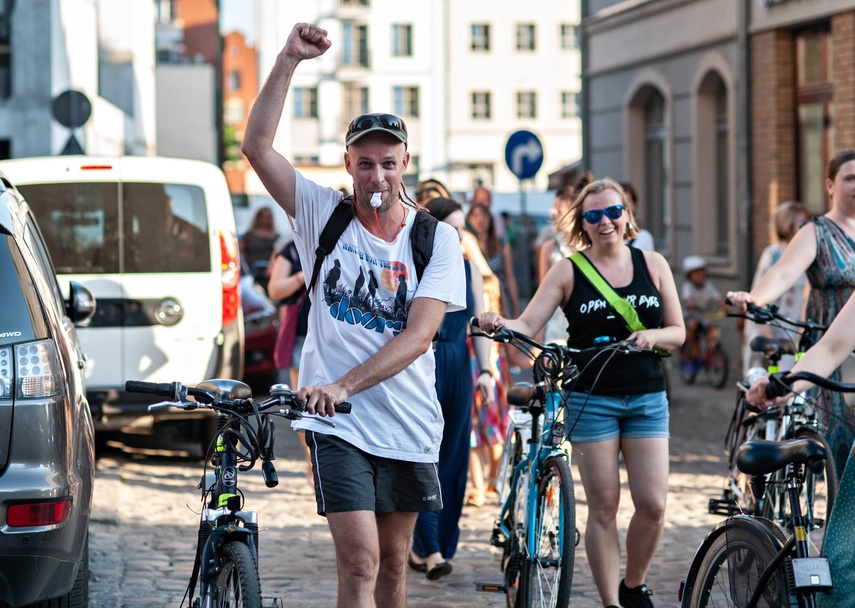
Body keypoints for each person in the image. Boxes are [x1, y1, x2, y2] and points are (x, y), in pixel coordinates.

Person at [240, 23, 467, 608]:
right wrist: (289, 59)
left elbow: (421, 336)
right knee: (361, 561)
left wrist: (346, 382)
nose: (377, 177)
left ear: (406, 163)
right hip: (337, 423)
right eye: (365, 164)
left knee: (394, 565)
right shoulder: (323, 215)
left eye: (388, 164)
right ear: (348, 164)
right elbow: (257, 149)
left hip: (410, 422)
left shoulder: (434, 239)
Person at [478, 178, 685, 608]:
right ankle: (611, 602)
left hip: (647, 396)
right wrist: (500, 322)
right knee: (604, 506)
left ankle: (634, 583)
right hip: (591, 399)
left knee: (653, 503)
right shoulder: (569, 269)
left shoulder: (654, 264)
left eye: (613, 212)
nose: (605, 221)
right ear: (582, 223)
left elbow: (678, 332)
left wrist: (652, 335)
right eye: (593, 215)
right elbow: (529, 323)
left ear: (627, 214)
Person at [729, 149, 855, 474]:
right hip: (831, 345)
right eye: (850, 178)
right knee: (839, 452)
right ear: (830, 185)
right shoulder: (818, 231)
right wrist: (755, 298)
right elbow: (783, 273)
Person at [409, 197, 494, 580]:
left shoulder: (467, 268)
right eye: (453, 229)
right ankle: (431, 551)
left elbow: (476, 324)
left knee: (456, 458)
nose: (460, 237)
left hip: (459, 367)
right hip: (422, 363)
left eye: (463, 230)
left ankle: (436, 542)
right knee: (424, 456)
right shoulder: (414, 265)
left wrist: (486, 372)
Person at [741, 201, 809, 376]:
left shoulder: (807, 251)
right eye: (801, 222)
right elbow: (761, 292)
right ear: (787, 224)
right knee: (779, 376)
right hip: (778, 325)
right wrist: (766, 331)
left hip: (797, 326)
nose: (805, 227)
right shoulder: (773, 254)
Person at [467, 202, 520, 317]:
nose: (480, 220)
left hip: (500, 300)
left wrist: (516, 310)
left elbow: (509, 276)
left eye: (484, 216)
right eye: (476, 216)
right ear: (469, 219)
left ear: (490, 219)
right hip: (478, 301)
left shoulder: (501, 244)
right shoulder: (467, 246)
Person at [680, 254, 727, 371]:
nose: (700, 276)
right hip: (692, 314)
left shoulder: (708, 286)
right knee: (692, 325)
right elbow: (687, 299)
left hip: (705, 315)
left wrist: (725, 307)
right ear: (689, 276)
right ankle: (694, 349)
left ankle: (711, 352)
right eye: (696, 274)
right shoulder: (688, 287)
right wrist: (691, 304)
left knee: (712, 331)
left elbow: (718, 298)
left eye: (701, 272)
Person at [240, 206, 280, 288]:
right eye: (264, 217)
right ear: (258, 218)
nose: (266, 220)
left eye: (268, 217)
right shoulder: (249, 235)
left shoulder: (277, 237)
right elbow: (240, 252)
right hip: (252, 274)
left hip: (270, 274)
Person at [620, 181, 655, 251]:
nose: (622, 206)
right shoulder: (608, 236)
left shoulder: (644, 237)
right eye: (619, 201)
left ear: (634, 206)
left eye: (627, 201)